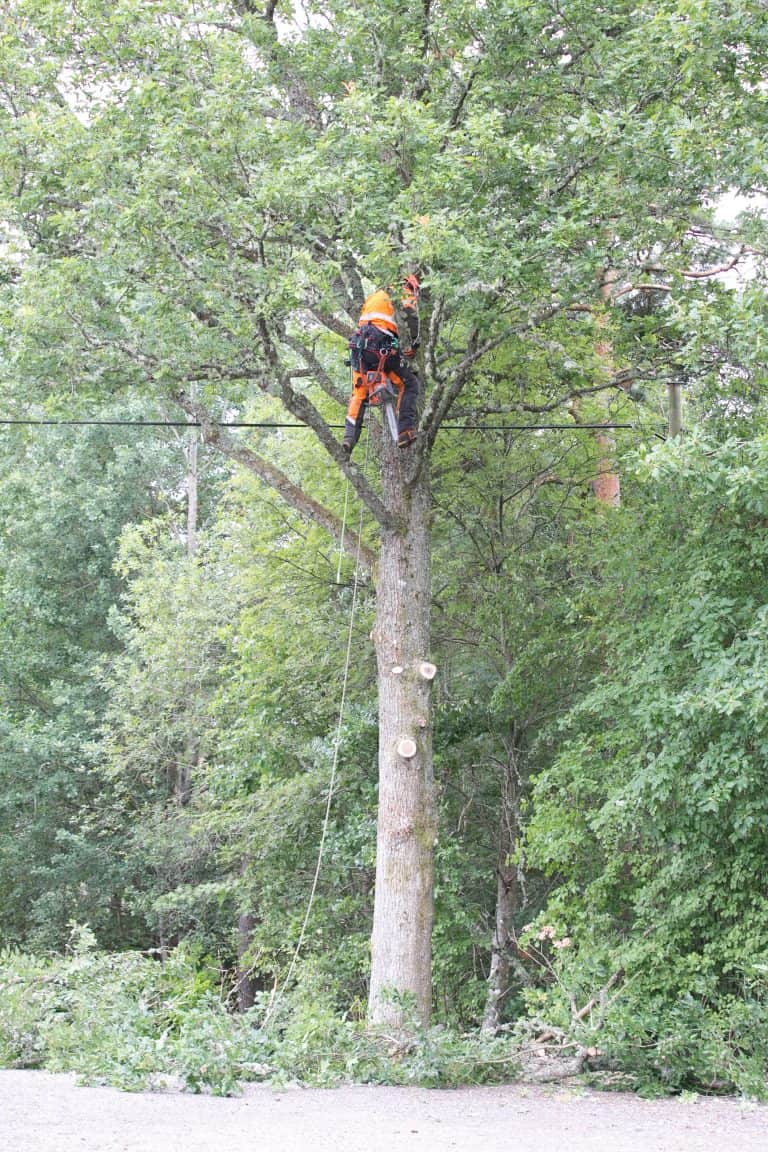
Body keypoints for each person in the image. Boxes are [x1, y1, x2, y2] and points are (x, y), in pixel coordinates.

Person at [342, 275, 421, 455]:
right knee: (409, 383)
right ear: (410, 286)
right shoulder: (404, 293)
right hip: (380, 344)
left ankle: (349, 438)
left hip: (360, 346)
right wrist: (415, 344)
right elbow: (411, 316)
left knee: (360, 391)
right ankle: (404, 431)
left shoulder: (375, 296)